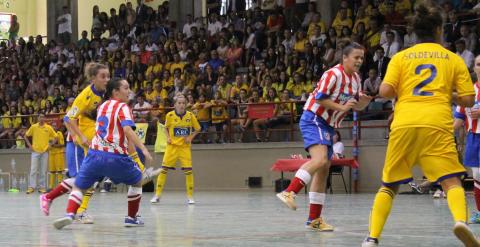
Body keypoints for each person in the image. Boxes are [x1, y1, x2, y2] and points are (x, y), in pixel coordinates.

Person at [362, 3, 479, 246]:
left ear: (414, 32)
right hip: (436, 123)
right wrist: (449, 94)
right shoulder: (452, 58)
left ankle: (372, 238)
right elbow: (468, 99)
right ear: (439, 29)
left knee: (389, 185)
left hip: (404, 123)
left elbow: (384, 90)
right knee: (451, 181)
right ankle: (461, 223)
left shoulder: (400, 57)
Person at [276, 41, 371, 231]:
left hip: (328, 125)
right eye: (356, 57)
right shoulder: (333, 74)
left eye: (362, 58)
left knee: (324, 168)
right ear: (345, 58)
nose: (359, 61)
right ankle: (289, 191)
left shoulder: (356, 80)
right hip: (314, 118)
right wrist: (342, 107)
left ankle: (314, 219)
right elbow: (320, 97)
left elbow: (355, 104)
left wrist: (364, 102)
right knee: (319, 160)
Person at [53, 78, 153, 230]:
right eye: (126, 88)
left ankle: (70, 213)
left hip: (94, 154)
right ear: (115, 92)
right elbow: (127, 131)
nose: (129, 91)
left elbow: (72, 118)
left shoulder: (102, 106)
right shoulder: (124, 107)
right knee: (137, 182)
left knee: (81, 184)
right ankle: (131, 218)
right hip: (115, 157)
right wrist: (144, 149)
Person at [39, 63, 109, 223]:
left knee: (90, 179)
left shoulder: (105, 92)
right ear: (93, 78)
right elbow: (67, 118)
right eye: (103, 76)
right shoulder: (85, 96)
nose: (107, 79)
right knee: (81, 179)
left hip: (91, 141)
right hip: (76, 143)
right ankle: (52, 199)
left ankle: (76, 210)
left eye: (108, 76)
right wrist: (81, 137)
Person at [150, 94, 201, 204]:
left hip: (184, 148)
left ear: (186, 104)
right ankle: (157, 195)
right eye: (179, 103)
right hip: (172, 147)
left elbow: (198, 128)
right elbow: (166, 128)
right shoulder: (169, 115)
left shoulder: (190, 116)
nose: (181, 105)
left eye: (183, 103)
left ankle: (190, 197)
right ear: (175, 105)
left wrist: (190, 137)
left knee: (188, 171)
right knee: (163, 170)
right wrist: (168, 138)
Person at [454, 54, 480, 223]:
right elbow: (458, 120)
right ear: (474, 67)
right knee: (477, 176)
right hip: (473, 138)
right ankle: (479, 211)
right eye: (478, 63)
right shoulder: (468, 93)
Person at [24, 114, 58, 194]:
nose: (41, 118)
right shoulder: (34, 127)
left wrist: (50, 145)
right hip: (35, 151)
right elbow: (26, 136)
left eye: (43, 117)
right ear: (38, 118)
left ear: (45, 118)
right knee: (33, 170)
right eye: (40, 117)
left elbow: (56, 137)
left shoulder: (48, 127)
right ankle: (31, 187)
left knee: (43, 170)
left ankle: (42, 187)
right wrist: (30, 146)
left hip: (45, 152)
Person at [48, 125, 65, 190]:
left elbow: (62, 144)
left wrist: (53, 145)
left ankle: (60, 187)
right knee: (52, 171)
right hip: (51, 154)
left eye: (55, 126)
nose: (53, 127)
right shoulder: (49, 135)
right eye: (52, 126)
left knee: (59, 170)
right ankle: (51, 187)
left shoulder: (59, 133)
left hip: (58, 154)